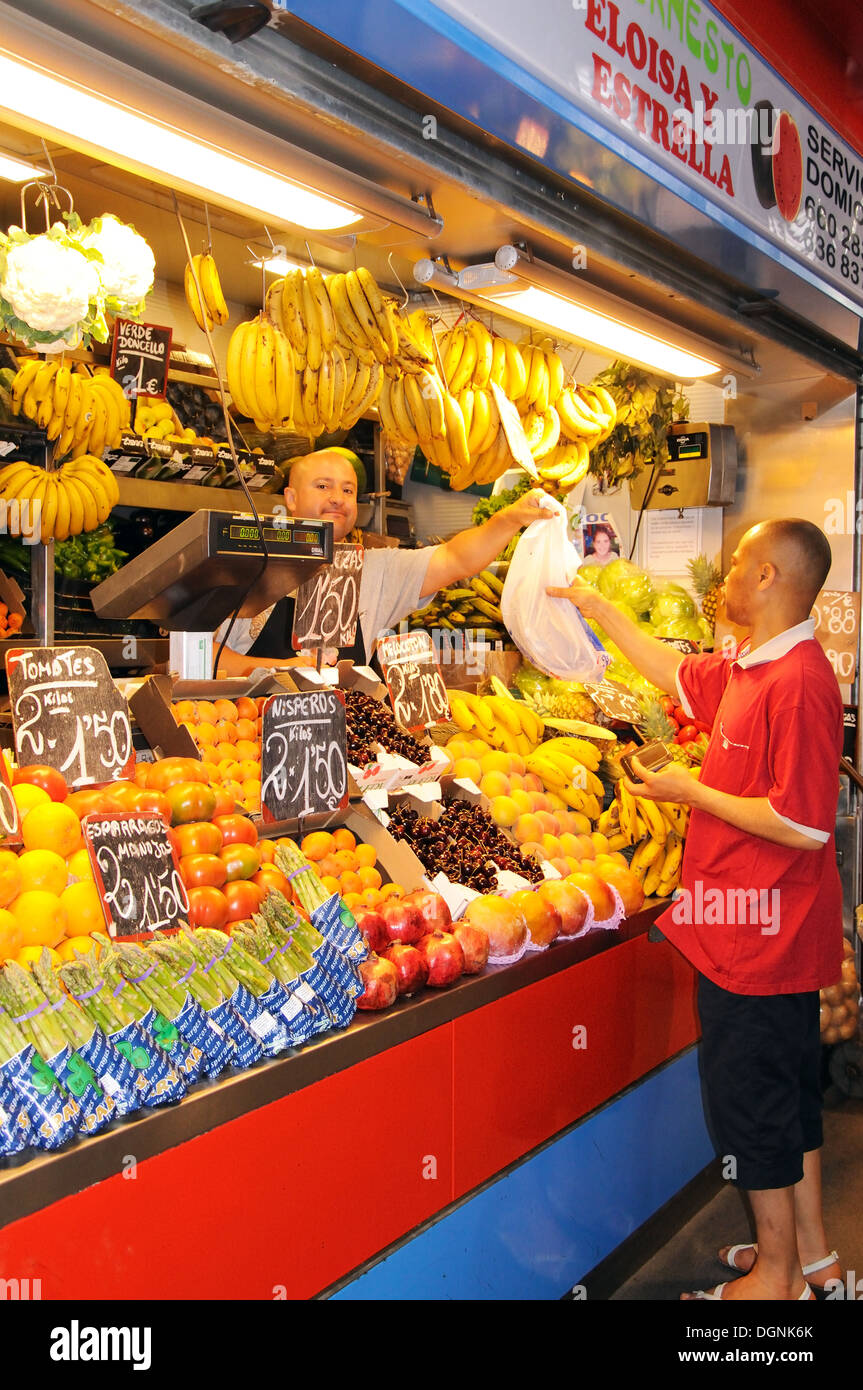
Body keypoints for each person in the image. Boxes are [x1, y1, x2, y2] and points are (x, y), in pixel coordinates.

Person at [550, 519, 844, 1302]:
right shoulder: (751, 666)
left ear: (769, 578)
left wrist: (690, 791)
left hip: (762, 940)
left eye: (738, 562)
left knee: (751, 1107)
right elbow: (672, 673)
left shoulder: (802, 683)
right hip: (740, 929)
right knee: (786, 1099)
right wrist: (593, 606)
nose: (725, 573)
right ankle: (809, 1259)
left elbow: (804, 822)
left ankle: (773, 1285)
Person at [215, 449, 551, 674]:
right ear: (291, 498)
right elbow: (206, 659)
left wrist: (508, 519)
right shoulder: (250, 564)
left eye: (348, 491)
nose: (337, 498)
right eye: (322, 486)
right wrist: (283, 671)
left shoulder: (377, 570)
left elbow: (456, 560)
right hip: (253, 740)